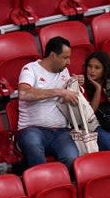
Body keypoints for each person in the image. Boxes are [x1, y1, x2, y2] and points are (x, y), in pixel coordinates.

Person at [17, 37, 81, 170]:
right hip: (32, 129)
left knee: (72, 158)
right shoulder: (30, 69)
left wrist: (76, 85)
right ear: (52, 55)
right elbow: (23, 93)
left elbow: (69, 96)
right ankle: (42, 187)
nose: (68, 62)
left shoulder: (64, 70)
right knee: (33, 146)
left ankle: (62, 185)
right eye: (65, 58)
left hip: (61, 130)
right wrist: (58, 91)